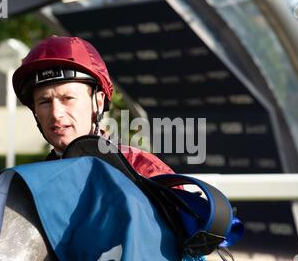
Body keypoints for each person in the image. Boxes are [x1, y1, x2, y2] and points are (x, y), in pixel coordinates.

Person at [12, 35, 175, 177]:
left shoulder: (147, 170)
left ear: (98, 102)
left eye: (68, 98)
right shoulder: (30, 184)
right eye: (44, 102)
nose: (56, 113)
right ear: (35, 111)